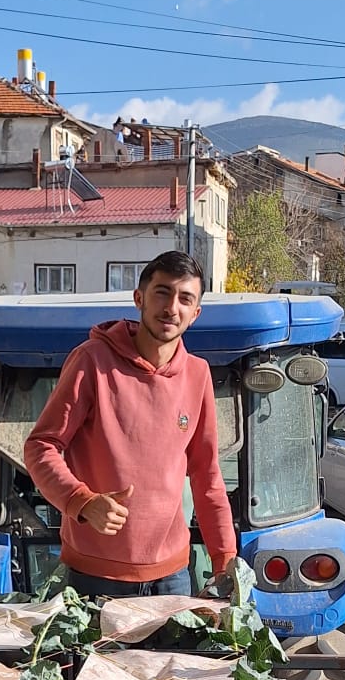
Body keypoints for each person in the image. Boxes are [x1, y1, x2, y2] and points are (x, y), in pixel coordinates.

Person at [23, 251, 237, 598]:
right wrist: (82, 501)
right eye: (162, 293)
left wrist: (224, 559)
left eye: (185, 299)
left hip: (173, 576)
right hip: (95, 575)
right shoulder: (91, 361)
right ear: (139, 298)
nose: (172, 308)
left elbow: (206, 474)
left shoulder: (197, 375)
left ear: (195, 313)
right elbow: (40, 446)